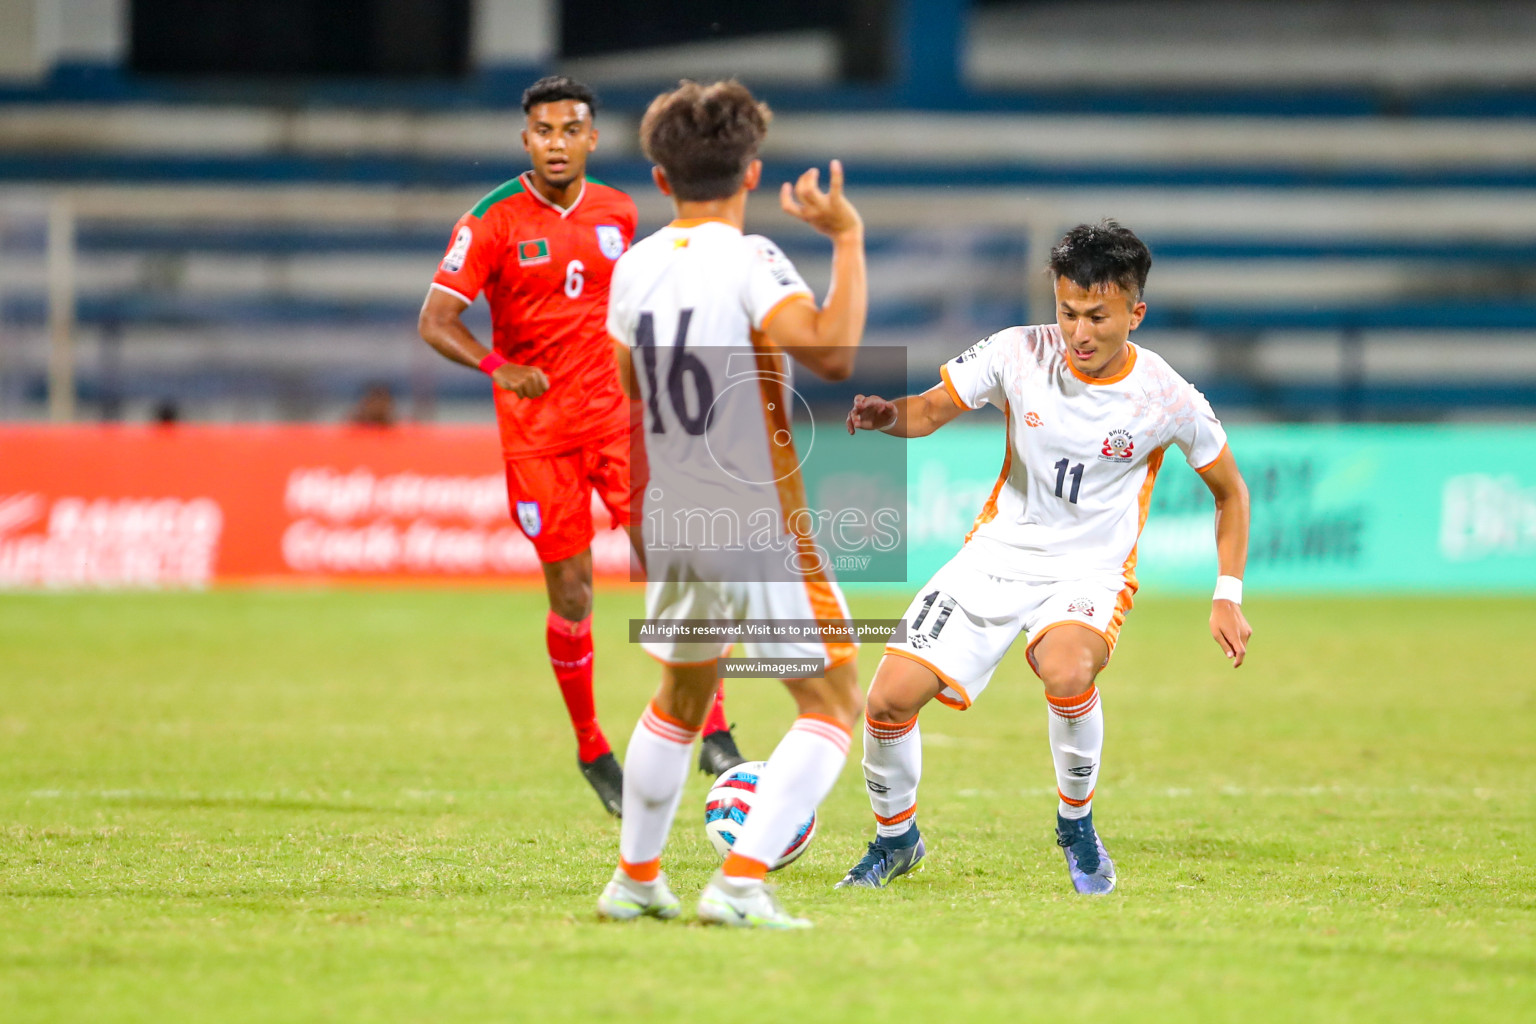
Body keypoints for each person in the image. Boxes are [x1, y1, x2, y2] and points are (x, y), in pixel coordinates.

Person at [838, 220, 1253, 894]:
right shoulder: (1016, 352)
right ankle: (895, 842)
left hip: (1089, 571)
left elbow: (1231, 493)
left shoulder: (1166, 396)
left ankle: (1076, 823)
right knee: (886, 700)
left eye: (1098, 316)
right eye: (1066, 313)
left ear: (1134, 313)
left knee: (1065, 667)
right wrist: (890, 414)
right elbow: (932, 408)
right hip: (996, 555)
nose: (1079, 333)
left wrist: (1227, 593)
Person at [417, 75, 747, 819]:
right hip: (538, 439)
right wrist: (500, 367)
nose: (557, 142)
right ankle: (592, 746)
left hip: (616, 421)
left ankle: (717, 730)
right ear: (525, 138)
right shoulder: (492, 221)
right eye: (544, 130)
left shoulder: (619, 211)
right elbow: (436, 319)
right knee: (573, 595)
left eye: (571, 129)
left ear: (593, 138)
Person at [595, 80, 868, 928]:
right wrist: (848, 239)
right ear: (751, 173)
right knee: (832, 701)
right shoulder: (750, 261)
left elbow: (628, 384)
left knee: (682, 694)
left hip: (676, 505)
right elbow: (831, 352)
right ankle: (740, 883)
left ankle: (636, 881)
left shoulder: (634, 266)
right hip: (756, 510)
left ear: (659, 175)